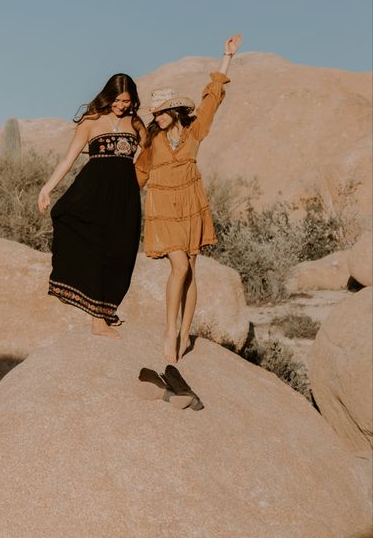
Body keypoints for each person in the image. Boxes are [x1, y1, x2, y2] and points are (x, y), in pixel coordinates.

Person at [135, 35, 242, 362]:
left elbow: (213, 97)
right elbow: (138, 175)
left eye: (163, 111)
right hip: (164, 210)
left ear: (174, 109)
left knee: (192, 270)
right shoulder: (151, 140)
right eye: (155, 113)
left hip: (191, 204)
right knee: (179, 267)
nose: (158, 117)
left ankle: (184, 333)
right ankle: (170, 331)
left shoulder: (195, 131)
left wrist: (227, 57)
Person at [38, 74, 145, 338]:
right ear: (109, 96)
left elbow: (151, 150)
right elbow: (68, 158)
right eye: (118, 100)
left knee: (122, 250)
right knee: (97, 247)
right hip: (93, 192)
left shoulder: (136, 123)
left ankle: (108, 309)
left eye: (127, 101)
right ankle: (98, 319)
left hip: (126, 195)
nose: (122, 105)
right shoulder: (90, 122)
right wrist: (47, 187)